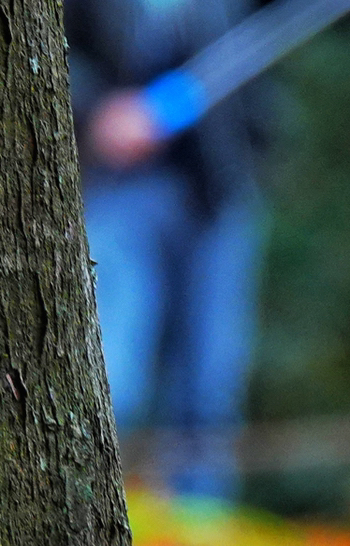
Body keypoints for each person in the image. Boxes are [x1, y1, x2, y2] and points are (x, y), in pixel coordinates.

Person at [66, 0, 275, 503]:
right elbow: (47, 45)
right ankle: (82, 507)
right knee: (112, 371)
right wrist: (97, 111)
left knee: (209, 385)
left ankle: (200, 528)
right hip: (119, 189)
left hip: (217, 189)